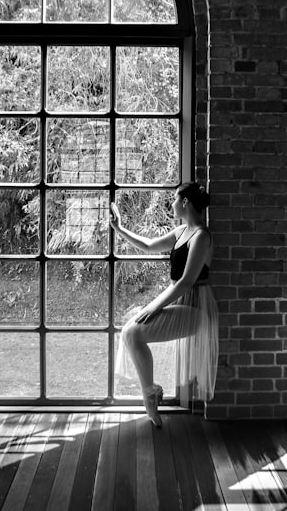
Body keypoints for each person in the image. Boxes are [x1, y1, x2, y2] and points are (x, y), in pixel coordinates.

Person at [109, 182, 218, 427]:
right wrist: (119, 228)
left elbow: (186, 282)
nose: (172, 203)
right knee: (131, 333)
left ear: (186, 202)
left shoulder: (201, 235)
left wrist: (154, 306)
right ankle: (150, 394)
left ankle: (150, 396)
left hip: (196, 308)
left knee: (132, 332)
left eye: (174, 198)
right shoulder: (181, 231)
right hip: (181, 301)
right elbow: (148, 245)